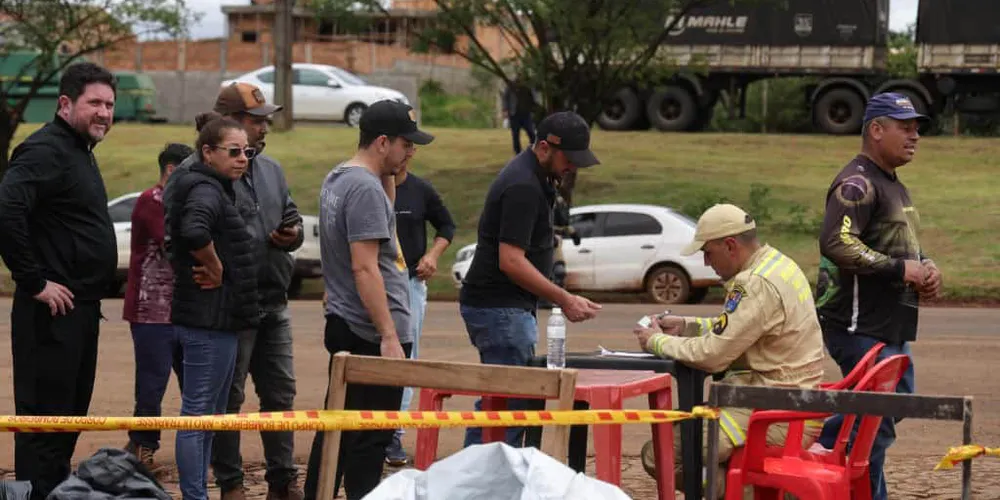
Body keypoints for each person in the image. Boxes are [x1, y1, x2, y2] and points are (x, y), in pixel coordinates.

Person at [632, 203, 826, 497]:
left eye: (708, 253)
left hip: (771, 413)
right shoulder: (778, 264)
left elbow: (713, 355)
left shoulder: (754, 283)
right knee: (683, 445)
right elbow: (738, 328)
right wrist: (685, 325)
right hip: (791, 404)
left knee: (659, 454)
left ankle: (759, 494)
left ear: (731, 246)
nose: (707, 262)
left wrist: (656, 341)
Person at [303, 100, 434, 500]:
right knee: (369, 437)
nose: (411, 152)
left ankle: (319, 493)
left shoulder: (341, 176)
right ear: (382, 142)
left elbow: (383, 219)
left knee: (337, 428)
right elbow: (365, 267)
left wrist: (387, 176)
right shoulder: (363, 188)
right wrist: (389, 336)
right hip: (370, 331)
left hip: (349, 320)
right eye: (405, 144)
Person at [813, 92, 941, 500]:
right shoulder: (858, 182)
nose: (914, 135)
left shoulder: (892, 184)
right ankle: (834, 455)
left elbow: (899, 245)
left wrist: (925, 267)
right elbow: (837, 242)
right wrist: (900, 269)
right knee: (874, 425)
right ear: (876, 129)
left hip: (887, 326)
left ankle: (826, 439)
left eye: (916, 128)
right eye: (905, 127)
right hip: (857, 324)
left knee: (885, 411)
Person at [0, 62, 119, 500]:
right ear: (65, 104)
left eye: (109, 104)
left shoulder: (79, 151)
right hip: (49, 314)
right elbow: (7, 212)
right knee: (44, 427)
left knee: (68, 421)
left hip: (81, 311)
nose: (104, 112)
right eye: (95, 103)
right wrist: (33, 282)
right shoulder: (46, 149)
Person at [459, 110, 603, 448]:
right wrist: (564, 299)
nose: (574, 167)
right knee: (507, 409)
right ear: (543, 148)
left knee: (502, 405)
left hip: (505, 308)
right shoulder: (523, 186)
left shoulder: (535, 177)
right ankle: (477, 485)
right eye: (570, 159)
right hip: (500, 309)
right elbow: (510, 261)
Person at [198, 82, 306, 500]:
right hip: (232, 307)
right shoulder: (209, 172)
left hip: (274, 301)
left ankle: (282, 480)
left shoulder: (272, 169)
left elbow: (291, 214)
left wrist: (290, 235)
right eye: (257, 120)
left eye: (264, 120)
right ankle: (231, 484)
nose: (264, 127)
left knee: (281, 394)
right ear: (230, 123)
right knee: (229, 399)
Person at [163, 116, 259, 500]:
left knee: (211, 415)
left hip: (220, 319)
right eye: (233, 152)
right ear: (207, 152)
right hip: (207, 321)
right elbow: (194, 231)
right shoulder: (205, 188)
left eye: (247, 152)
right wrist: (216, 266)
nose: (242, 159)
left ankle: (197, 490)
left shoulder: (215, 187)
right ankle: (194, 494)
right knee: (198, 415)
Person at [122, 142, 194, 468]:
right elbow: (174, 245)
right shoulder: (153, 201)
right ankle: (142, 450)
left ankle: (155, 448)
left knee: (193, 383)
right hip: (151, 310)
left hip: (182, 310)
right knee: (152, 384)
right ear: (171, 170)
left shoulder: (181, 202)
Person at [384, 155, 457, 466]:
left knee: (406, 355)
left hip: (410, 283)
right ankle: (361, 428)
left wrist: (433, 255)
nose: (405, 154)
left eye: (410, 148)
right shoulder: (368, 187)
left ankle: (394, 433)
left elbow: (447, 225)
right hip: (373, 278)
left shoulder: (420, 190)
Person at [502, 76, 537, 154]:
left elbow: (533, 97)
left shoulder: (528, 85)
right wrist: (505, 109)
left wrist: (533, 108)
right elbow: (505, 97)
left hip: (526, 114)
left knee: (531, 132)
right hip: (514, 114)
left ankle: (535, 150)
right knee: (515, 135)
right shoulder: (511, 85)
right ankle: (518, 153)